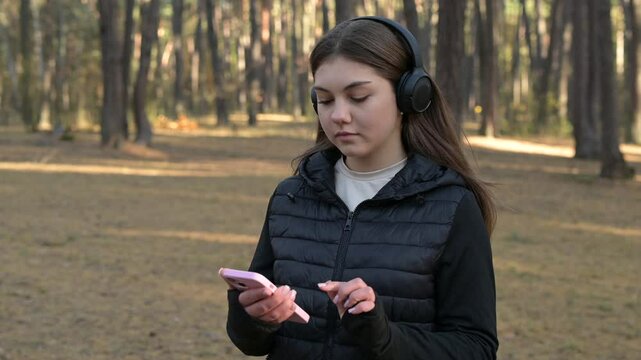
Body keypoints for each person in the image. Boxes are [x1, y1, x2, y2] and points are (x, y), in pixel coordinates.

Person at [225, 16, 498, 359]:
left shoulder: (452, 206)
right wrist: (252, 317)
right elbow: (253, 342)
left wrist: (384, 338)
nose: (339, 115)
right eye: (325, 100)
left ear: (409, 97)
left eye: (358, 97)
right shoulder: (290, 197)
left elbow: (476, 349)